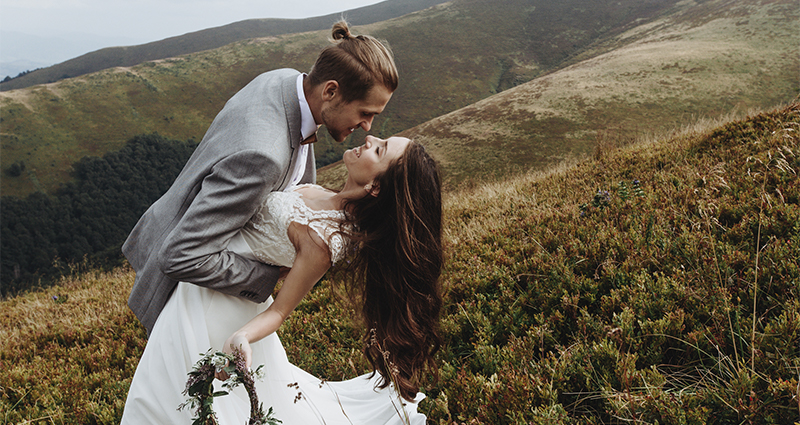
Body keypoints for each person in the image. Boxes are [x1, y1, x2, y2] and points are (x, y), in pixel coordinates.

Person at [122, 135, 443, 424]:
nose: (370, 138)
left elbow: (279, 310)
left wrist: (243, 336)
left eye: (380, 149)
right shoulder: (318, 190)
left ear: (376, 187)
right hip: (203, 282)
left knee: (163, 401)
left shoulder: (325, 239)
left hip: (222, 307)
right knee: (161, 396)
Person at [121, 21, 398, 335]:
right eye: (365, 112)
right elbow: (181, 256)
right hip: (189, 299)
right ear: (330, 91)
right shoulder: (263, 157)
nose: (367, 127)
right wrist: (272, 276)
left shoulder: (286, 81)